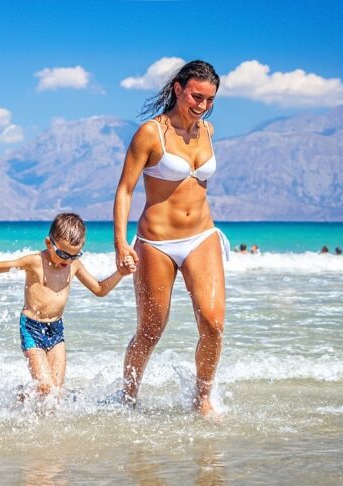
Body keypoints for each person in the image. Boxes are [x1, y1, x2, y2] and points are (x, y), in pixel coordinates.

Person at [113, 60, 230, 416]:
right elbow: (124, 190)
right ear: (178, 89)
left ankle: (203, 398)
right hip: (156, 242)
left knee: (213, 323)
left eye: (209, 99)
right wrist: (120, 242)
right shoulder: (151, 133)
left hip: (201, 236)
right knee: (150, 329)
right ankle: (128, 398)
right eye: (196, 96)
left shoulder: (207, 130)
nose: (202, 105)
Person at [0, 213, 134, 397]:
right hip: (31, 328)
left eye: (74, 255)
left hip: (56, 330)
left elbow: (99, 290)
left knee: (56, 392)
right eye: (62, 254)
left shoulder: (74, 265)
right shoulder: (35, 261)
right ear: (48, 243)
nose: (66, 260)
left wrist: (120, 273)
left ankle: (35, 410)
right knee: (45, 386)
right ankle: (18, 399)